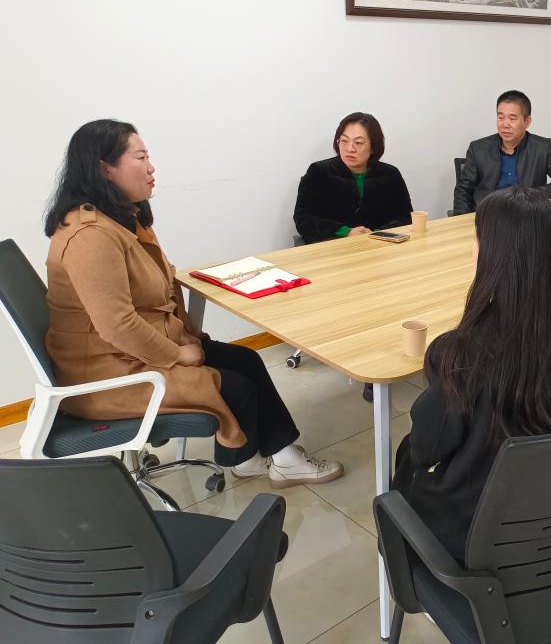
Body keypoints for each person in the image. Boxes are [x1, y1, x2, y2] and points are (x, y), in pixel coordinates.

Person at [44, 120, 343, 487]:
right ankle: (277, 460)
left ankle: (256, 458)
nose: (151, 167)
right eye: (141, 157)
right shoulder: (89, 235)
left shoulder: (124, 218)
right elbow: (117, 325)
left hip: (135, 350)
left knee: (246, 359)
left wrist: (186, 334)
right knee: (234, 386)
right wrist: (176, 354)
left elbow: (161, 287)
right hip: (107, 373)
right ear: (106, 169)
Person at [391, 186, 551, 563]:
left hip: (475, 536)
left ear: (491, 252)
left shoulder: (461, 352)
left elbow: (426, 449)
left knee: (407, 453)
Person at [293, 112, 413, 243]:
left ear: (373, 147)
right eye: (344, 141)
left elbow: (405, 217)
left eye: (359, 142)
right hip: (333, 246)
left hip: (381, 245)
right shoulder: (319, 171)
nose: (350, 148)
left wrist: (377, 233)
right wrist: (346, 231)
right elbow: (303, 219)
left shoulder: (390, 174)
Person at [452, 90, 551, 215]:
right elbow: (463, 190)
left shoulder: (543, 148)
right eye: (500, 118)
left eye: (512, 119)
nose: (505, 125)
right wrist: (461, 221)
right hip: (487, 216)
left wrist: (531, 194)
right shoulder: (478, 149)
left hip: (527, 215)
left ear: (527, 122)